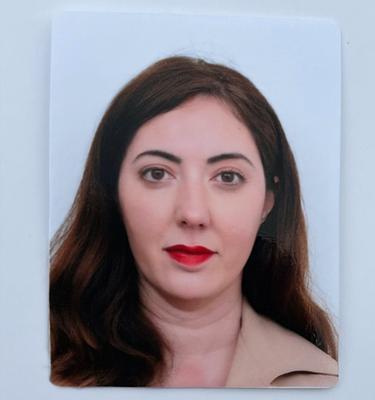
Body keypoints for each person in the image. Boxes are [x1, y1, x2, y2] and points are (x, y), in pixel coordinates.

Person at [50, 56, 338, 387]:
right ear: (113, 192)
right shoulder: (26, 361)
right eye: (157, 173)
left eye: (228, 177)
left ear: (267, 201)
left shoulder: (325, 384)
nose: (193, 214)